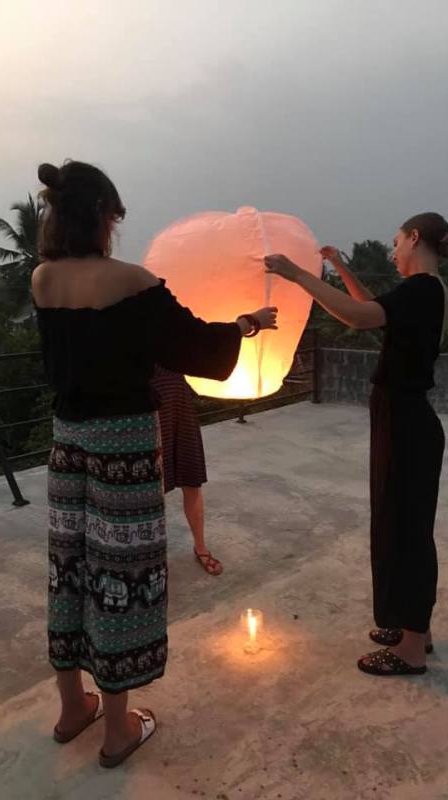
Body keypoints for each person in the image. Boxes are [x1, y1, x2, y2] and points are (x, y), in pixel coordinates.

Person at [32, 159, 278, 767]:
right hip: (123, 441)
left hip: (67, 440)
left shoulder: (42, 279)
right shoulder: (132, 282)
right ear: (101, 215)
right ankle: (117, 730)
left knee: (70, 567)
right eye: (115, 217)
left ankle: (72, 708)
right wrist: (247, 323)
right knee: (122, 574)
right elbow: (195, 347)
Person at [265, 212, 448, 676]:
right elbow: (371, 307)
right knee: (400, 524)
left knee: (405, 530)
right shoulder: (426, 291)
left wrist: (297, 274)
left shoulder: (423, 289)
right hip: (405, 418)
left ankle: (411, 649)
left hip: (405, 420)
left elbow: (357, 317)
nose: (393, 252)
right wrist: (339, 266)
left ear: (414, 238)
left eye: (396, 241)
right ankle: (413, 629)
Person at [151, 365, 223, 575]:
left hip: (178, 402)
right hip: (148, 405)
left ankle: (201, 547)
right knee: (152, 488)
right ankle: (152, 554)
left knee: (192, 479)